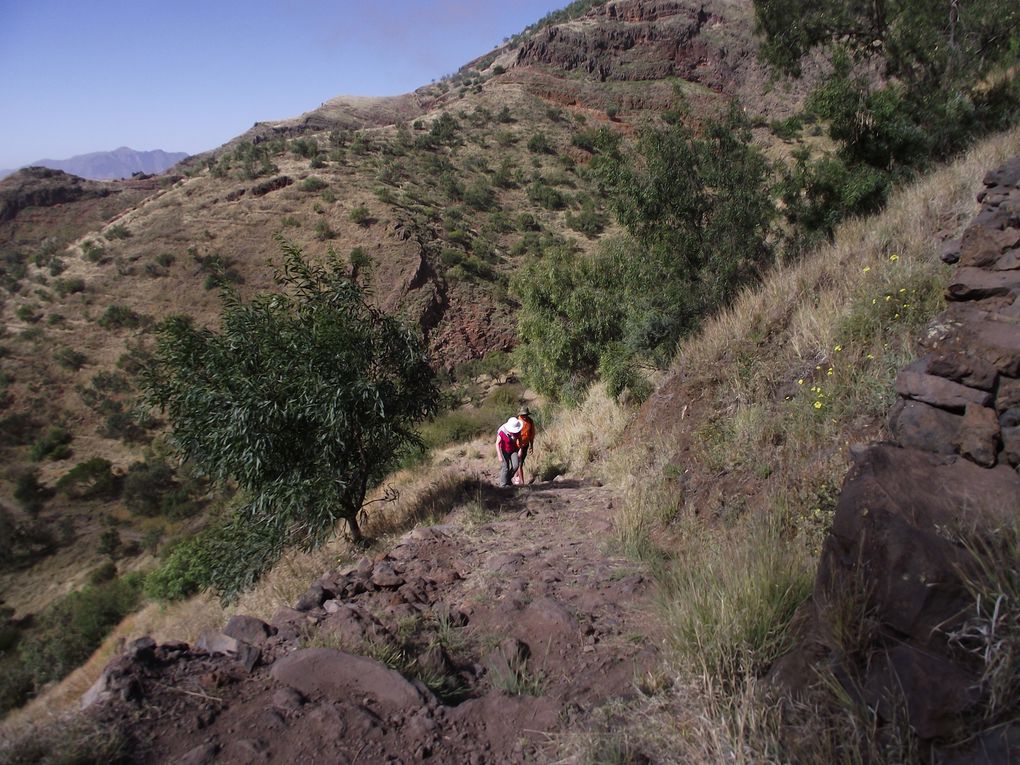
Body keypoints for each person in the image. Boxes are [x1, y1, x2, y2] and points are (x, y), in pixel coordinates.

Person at [496, 416, 523, 487]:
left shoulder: (518, 430)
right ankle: (503, 485)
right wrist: (499, 455)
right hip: (503, 450)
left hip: (513, 449)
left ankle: (508, 479)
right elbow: (497, 443)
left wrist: (520, 449)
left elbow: (520, 439)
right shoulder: (502, 431)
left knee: (516, 465)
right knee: (505, 467)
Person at [515, 406, 535, 484]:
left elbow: (532, 434)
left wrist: (531, 445)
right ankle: (522, 482)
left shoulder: (530, 422)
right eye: (523, 415)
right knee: (518, 463)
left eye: (526, 415)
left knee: (520, 463)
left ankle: (516, 479)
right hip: (516, 445)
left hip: (525, 445)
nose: (525, 417)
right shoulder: (516, 421)